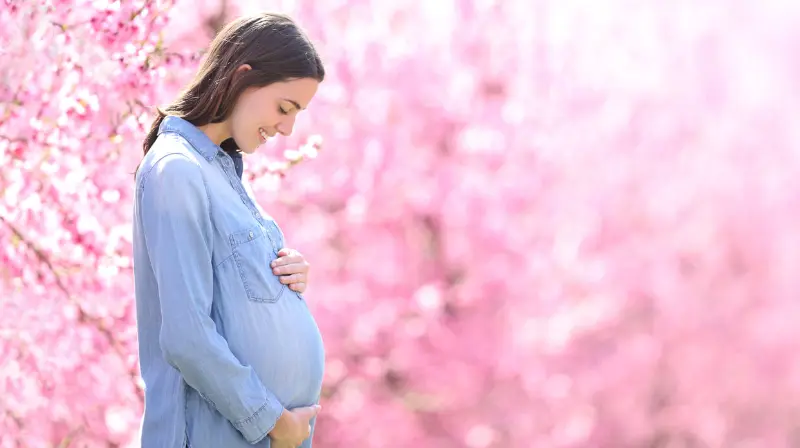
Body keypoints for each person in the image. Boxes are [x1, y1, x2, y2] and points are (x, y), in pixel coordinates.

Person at [132, 12, 326, 448]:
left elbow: (236, 292)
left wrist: (288, 279)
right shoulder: (176, 170)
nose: (287, 128)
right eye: (284, 107)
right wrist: (275, 422)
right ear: (243, 78)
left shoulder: (224, 175)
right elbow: (186, 336)